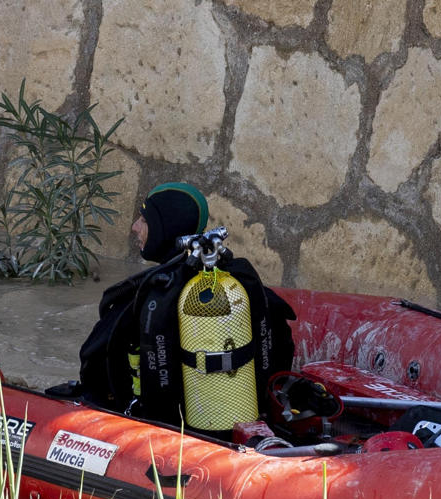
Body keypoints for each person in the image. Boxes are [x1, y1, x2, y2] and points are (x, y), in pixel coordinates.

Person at [71, 182, 294, 428]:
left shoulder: (152, 295)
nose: (134, 227)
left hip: (165, 428)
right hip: (245, 412)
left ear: (165, 228)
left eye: (144, 220)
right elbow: (281, 341)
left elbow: (94, 361)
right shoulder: (238, 284)